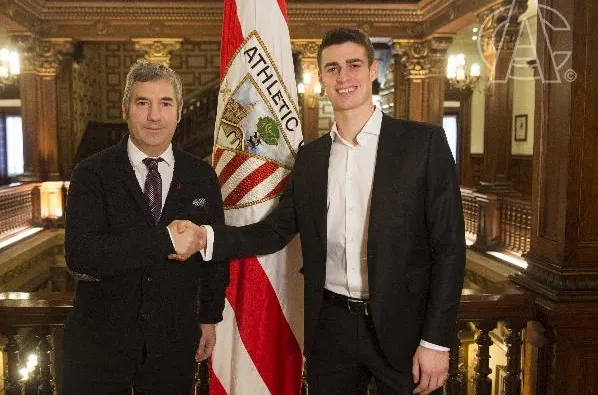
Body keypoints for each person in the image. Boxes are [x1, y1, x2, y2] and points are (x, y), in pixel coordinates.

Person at [170, 28, 466, 395]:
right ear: (322, 77)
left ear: (374, 71)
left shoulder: (424, 144)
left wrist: (436, 341)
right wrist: (204, 236)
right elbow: (275, 230)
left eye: (354, 65)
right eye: (333, 68)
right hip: (331, 329)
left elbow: (450, 249)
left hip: (405, 329)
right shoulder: (310, 159)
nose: (344, 77)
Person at [62, 59, 227, 395]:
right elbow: (82, 255)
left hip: (173, 345)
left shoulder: (201, 177)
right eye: (143, 103)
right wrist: (165, 240)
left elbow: (214, 253)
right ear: (126, 109)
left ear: (179, 112)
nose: (155, 116)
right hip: (99, 346)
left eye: (165, 104)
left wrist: (210, 317)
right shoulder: (92, 174)